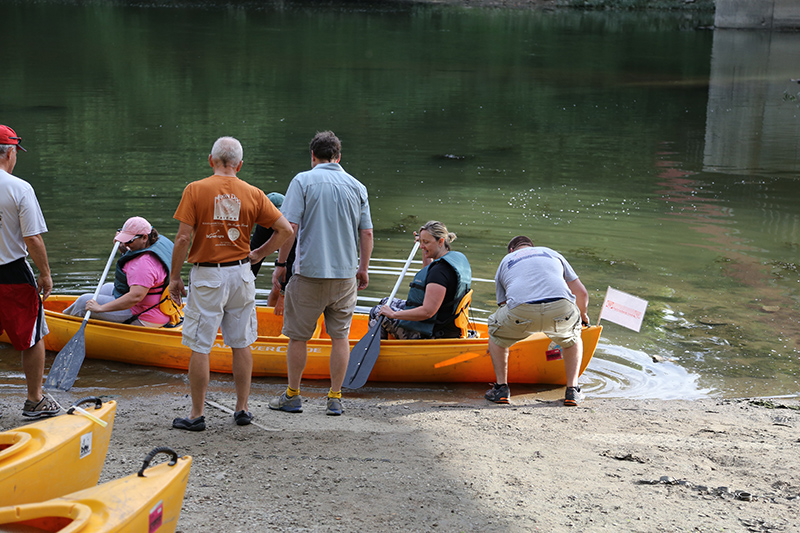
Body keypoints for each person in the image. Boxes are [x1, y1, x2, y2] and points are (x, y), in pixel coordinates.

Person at [169, 136, 292, 431]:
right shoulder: (253, 192)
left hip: (208, 275)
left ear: (211, 161)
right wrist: (259, 253)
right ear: (239, 165)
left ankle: (196, 414)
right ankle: (242, 409)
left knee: (200, 345)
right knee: (241, 343)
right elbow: (285, 229)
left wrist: (174, 277)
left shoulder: (195, 190)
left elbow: (183, 238)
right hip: (241, 274)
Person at [269, 130, 373, 417]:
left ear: (312, 156)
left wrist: (281, 265)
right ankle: (335, 398)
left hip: (309, 274)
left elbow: (290, 228)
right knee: (340, 337)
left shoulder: (303, 180)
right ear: (339, 157)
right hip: (344, 276)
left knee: (298, 337)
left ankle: (293, 395)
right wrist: (362, 268)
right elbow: (366, 232)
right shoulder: (357, 186)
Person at [485, 235, 590, 406]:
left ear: (511, 250)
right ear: (532, 247)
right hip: (561, 307)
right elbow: (582, 294)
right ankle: (572, 391)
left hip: (522, 310)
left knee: (496, 335)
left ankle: (501, 389)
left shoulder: (507, 259)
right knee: (572, 339)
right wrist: (583, 317)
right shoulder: (552, 253)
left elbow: (504, 304)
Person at [0, 125, 59, 418]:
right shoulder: (19, 188)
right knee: (32, 336)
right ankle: (35, 399)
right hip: (11, 273)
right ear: (10, 153)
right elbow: (32, 238)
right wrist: (45, 274)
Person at [63, 217, 174, 327]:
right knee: (106, 287)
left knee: (83, 302)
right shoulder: (155, 243)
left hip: (145, 314)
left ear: (144, 237)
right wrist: (125, 248)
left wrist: (100, 308)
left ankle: (65, 325)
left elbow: (135, 297)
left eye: (129, 240)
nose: (125, 244)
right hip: (156, 305)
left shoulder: (144, 264)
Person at [369, 220, 472, 340]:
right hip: (442, 323)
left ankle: (383, 351)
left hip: (431, 332)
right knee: (386, 302)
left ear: (441, 241)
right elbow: (429, 273)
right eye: (421, 242)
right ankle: (388, 339)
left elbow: (427, 312)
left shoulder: (439, 272)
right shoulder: (452, 259)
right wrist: (425, 247)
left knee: (376, 312)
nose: (421, 246)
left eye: (426, 242)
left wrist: (393, 314)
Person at [249, 192, 296, 315]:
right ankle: (270, 318)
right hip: (285, 256)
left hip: (302, 257)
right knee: (277, 287)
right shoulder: (263, 226)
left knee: (286, 286)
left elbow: (292, 261)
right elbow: (254, 258)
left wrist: (283, 295)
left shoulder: (293, 224)